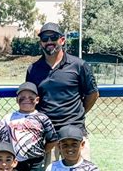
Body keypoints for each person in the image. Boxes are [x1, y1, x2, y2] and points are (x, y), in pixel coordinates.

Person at [26, 22, 98, 162]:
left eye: (53, 37)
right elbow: (30, 98)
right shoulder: (33, 69)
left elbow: (93, 94)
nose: (49, 42)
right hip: (47, 136)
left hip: (75, 133)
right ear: (41, 43)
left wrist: (78, 113)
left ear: (62, 40)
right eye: (45, 39)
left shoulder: (79, 65)